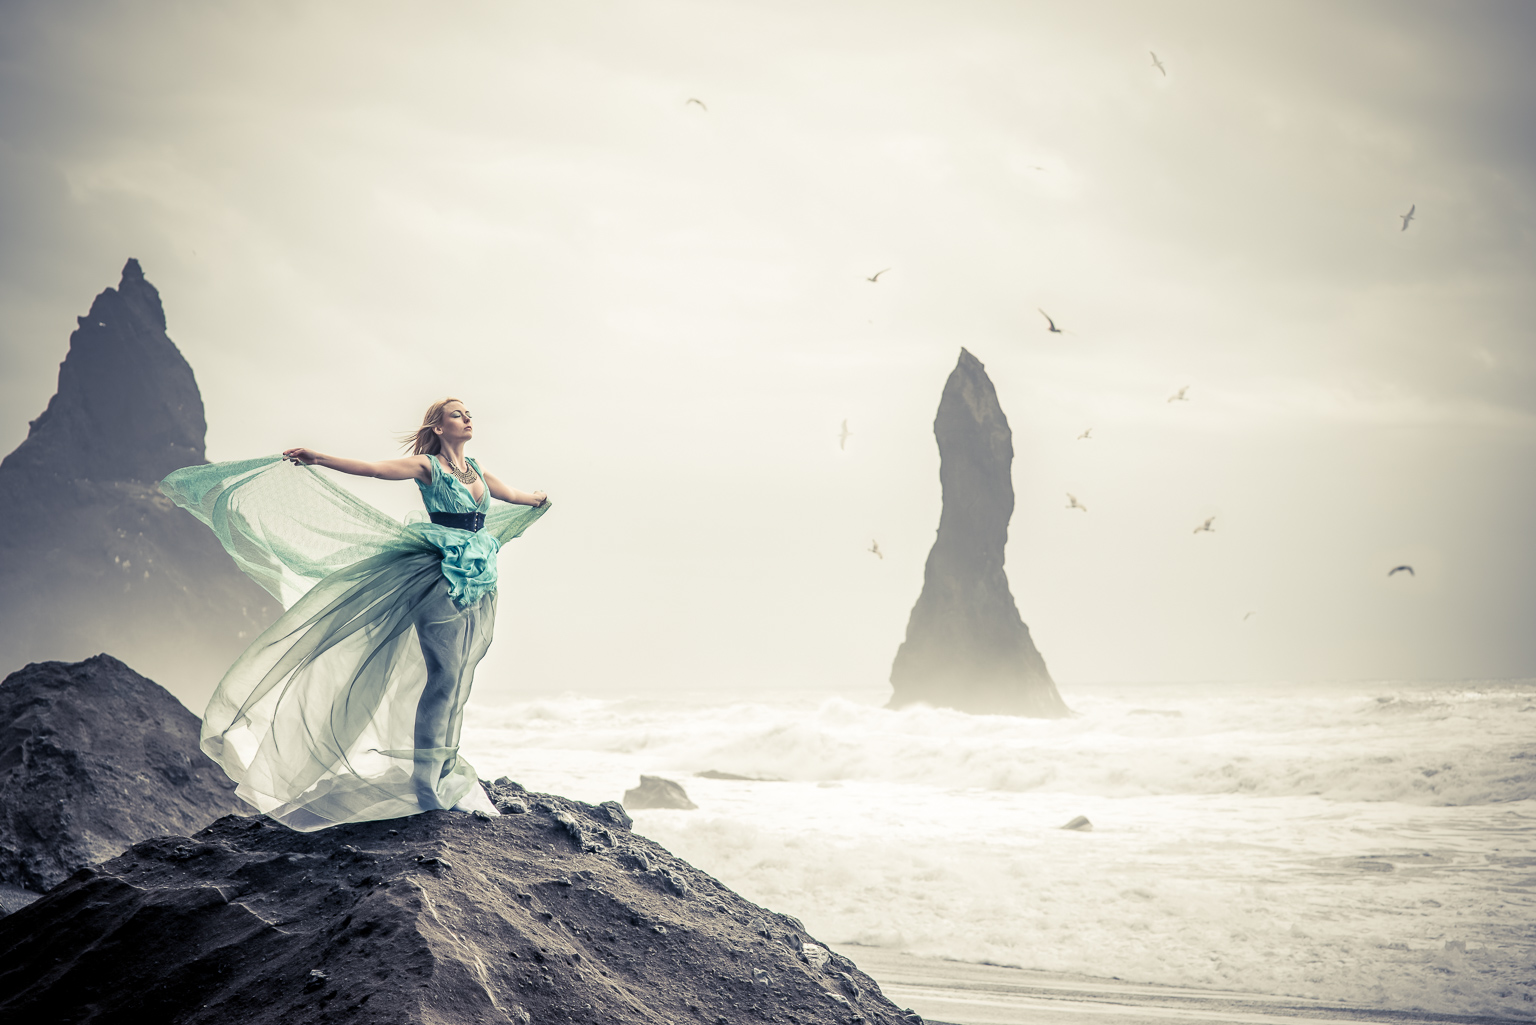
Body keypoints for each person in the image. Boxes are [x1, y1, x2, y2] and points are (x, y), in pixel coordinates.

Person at [160, 398, 549, 830]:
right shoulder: (427, 467)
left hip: (478, 577)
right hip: (435, 573)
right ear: (438, 428)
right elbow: (374, 469)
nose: (468, 417)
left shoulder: (476, 470)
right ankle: (425, 782)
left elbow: (513, 496)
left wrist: (539, 498)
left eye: (468, 413)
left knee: (458, 679)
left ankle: (443, 770)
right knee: (443, 674)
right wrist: (318, 458)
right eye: (457, 414)